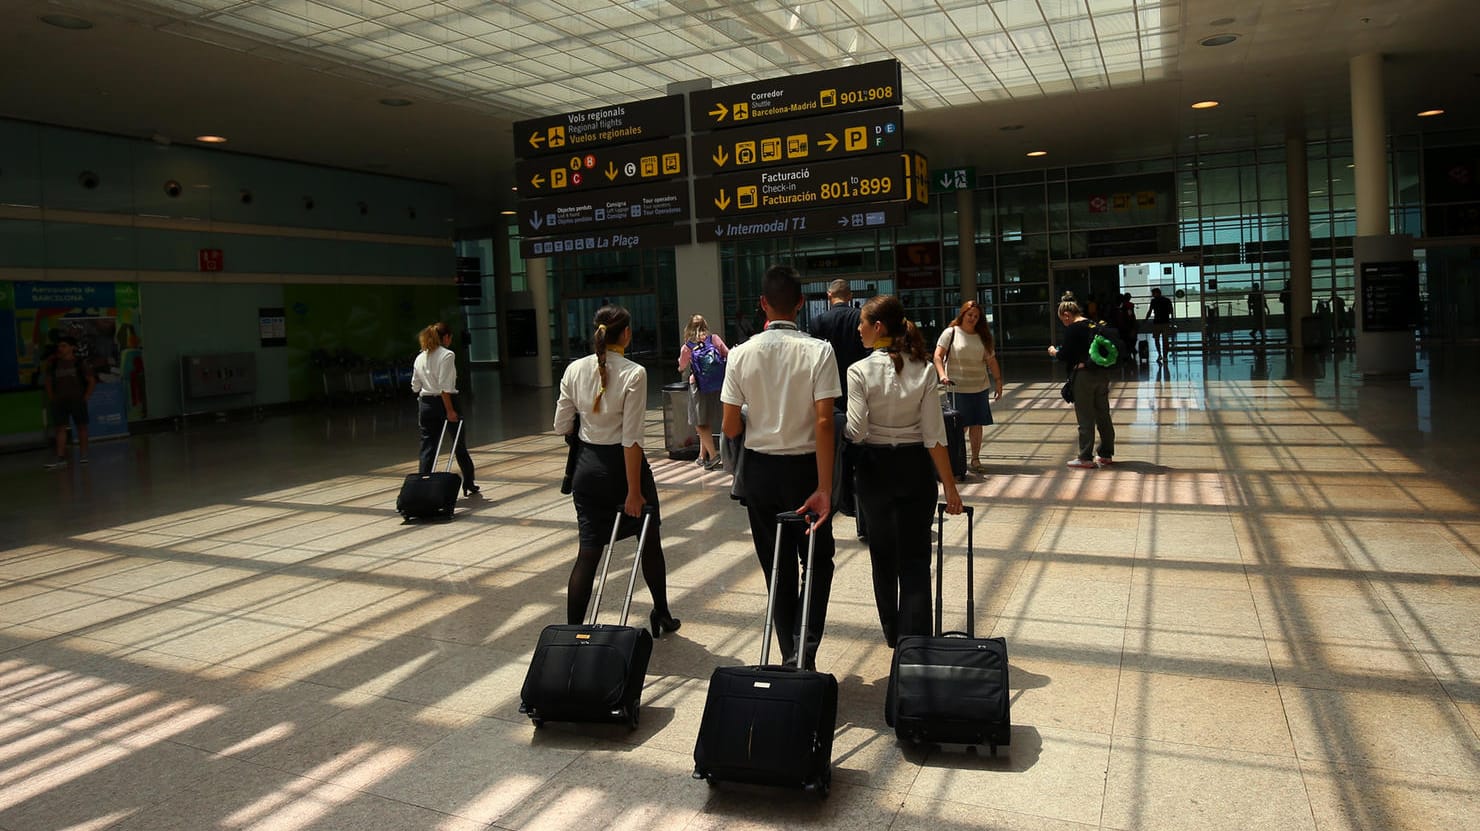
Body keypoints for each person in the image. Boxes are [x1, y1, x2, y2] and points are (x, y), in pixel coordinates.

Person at [722, 265, 839, 670]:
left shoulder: (740, 354)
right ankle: (804, 646)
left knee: (778, 564)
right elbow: (825, 421)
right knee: (819, 561)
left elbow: (730, 426)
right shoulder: (819, 351)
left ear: (762, 305)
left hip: (760, 473)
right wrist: (825, 486)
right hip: (807, 468)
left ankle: (790, 652)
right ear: (802, 303)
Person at [554, 305, 680, 636]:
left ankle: (571, 634)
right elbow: (631, 439)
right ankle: (662, 614)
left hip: (586, 470)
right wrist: (634, 492)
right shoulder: (634, 373)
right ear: (625, 334)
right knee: (649, 542)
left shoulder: (573, 370)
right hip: (623, 471)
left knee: (588, 553)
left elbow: (560, 425)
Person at [846, 295, 963, 647]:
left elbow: (857, 431)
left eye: (863, 322)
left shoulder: (859, 371)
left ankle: (893, 636)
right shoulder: (925, 369)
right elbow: (934, 436)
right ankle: (916, 639)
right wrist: (951, 489)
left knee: (882, 555)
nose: (859, 328)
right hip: (915, 468)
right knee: (915, 558)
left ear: (877, 327)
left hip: (875, 470)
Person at [932, 299, 1004, 474]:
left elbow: (991, 360)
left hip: (979, 387)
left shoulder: (982, 337)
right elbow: (937, 356)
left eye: (977, 316)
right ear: (963, 314)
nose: (973, 318)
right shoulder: (951, 333)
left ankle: (975, 459)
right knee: (959, 426)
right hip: (958, 388)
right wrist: (942, 375)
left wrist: (999, 381)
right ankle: (955, 458)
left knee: (977, 424)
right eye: (970, 315)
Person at [1048, 293, 1115, 469]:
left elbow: (1065, 355)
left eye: (1063, 320)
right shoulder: (1093, 324)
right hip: (1101, 374)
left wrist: (1054, 352)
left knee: (1085, 416)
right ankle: (1106, 453)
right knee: (1103, 414)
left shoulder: (1073, 328)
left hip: (1083, 376)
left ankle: (1085, 456)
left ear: (1067, 315)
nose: (1064, 323)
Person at [410, 321, 478, 496]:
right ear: (446, 337)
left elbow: (415, 386)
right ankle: (469, 482)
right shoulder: (447, 355)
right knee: (458, 443)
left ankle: (421, 486)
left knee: (428, 446)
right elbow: (444, 387)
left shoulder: (420, 357)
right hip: (446, 402)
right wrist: (450, 410)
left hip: (425, 403)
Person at [677, 314, 729, 470]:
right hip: (717, 385)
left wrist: (680, 366)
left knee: (699, 422)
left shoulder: (687, 347)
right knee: (704, 420)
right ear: (705, 325)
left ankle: (713, 456)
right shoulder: (714, 339)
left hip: (698, 386)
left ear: (689, 328)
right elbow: (727, 353)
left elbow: (682, 366)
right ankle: (702, 456)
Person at [808, 279, 868, 410]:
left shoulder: (818, 321)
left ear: (829, 295)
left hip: (828, 384)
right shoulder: (860, 318)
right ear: (850, 296)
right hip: (859, 378)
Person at [43, 336, 95, 469]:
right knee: (60, 428)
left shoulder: (80, 363)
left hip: (77, 400)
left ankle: (84, 455)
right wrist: (52, 397)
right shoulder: (54, 364)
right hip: (59, 401)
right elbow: (48, 382)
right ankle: (60, 458)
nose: (61, 348)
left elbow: (91, 380)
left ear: (72, 348)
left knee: (81, 427)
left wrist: (86, 396)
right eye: (60, 346)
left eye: (64, 345)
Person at [1145, 287, 1174, 362]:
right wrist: (1172, 320)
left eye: (1153, 293)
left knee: (1157, 339)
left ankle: (1159, 355)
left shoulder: (1153, 301)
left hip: (1157, 322)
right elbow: (1171, 311)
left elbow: (1150, 311)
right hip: (1165, 322)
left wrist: (1146, 319)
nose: (1152, 295)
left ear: (1157, 293)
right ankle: (1165, 356)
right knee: (1165, 340)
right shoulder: (1167, 300)